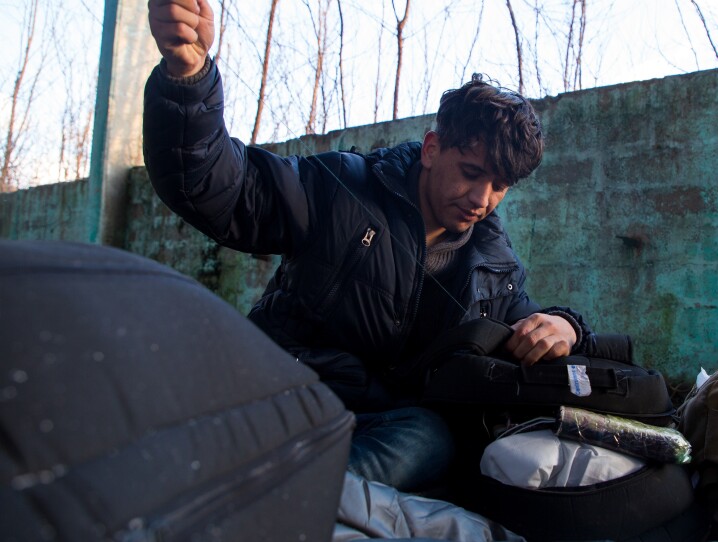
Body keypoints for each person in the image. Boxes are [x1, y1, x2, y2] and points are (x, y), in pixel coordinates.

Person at [145, 0, 594, 493]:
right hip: (282, 390)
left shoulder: (493, 262)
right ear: (431, 149)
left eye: (500, 185)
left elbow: (528, 322)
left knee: (431, 441)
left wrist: (565, 324)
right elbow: (221, 189)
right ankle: (262, 496)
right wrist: (188, 80)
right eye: (471, 173)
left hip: (379, 428)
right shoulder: (341, 187)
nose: (481, 199)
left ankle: (285, 497)